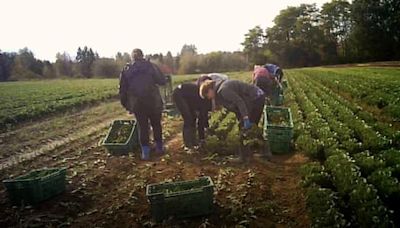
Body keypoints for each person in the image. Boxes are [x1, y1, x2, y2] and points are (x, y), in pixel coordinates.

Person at [199, 79, 266, 162]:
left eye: (206, 95)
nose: (208, 98)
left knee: (248, 128)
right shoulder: (219, 94)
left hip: (255, 98)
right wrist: (240, 118)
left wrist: (245, 118)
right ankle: (255, 153)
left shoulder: (223, 90)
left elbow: (239, 102)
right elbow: (235, 107)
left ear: (209, 90)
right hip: (253, 99)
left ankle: (245, 157)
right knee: (249, 127)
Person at [119, 49, 166, 160]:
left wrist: (127, 105)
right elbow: (162, 81)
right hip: (153, 101)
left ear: (132, 57)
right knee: (156, 125)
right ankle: (159, 147)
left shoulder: (126, 70)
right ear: (142, 56)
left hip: (138, 104)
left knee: (143, 127)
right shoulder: (151, 66)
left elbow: (122, 90)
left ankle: (145, 152)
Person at [173, 83, 212, 151]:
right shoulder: (203, 98)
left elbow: (202, 120)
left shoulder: (206, 100)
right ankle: (187, 145)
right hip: (179, 94)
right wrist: (202, 139)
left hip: (188, 99)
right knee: (188, 119)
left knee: (193, 117)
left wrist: (202, 138)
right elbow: (201, 121)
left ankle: (194, 142)